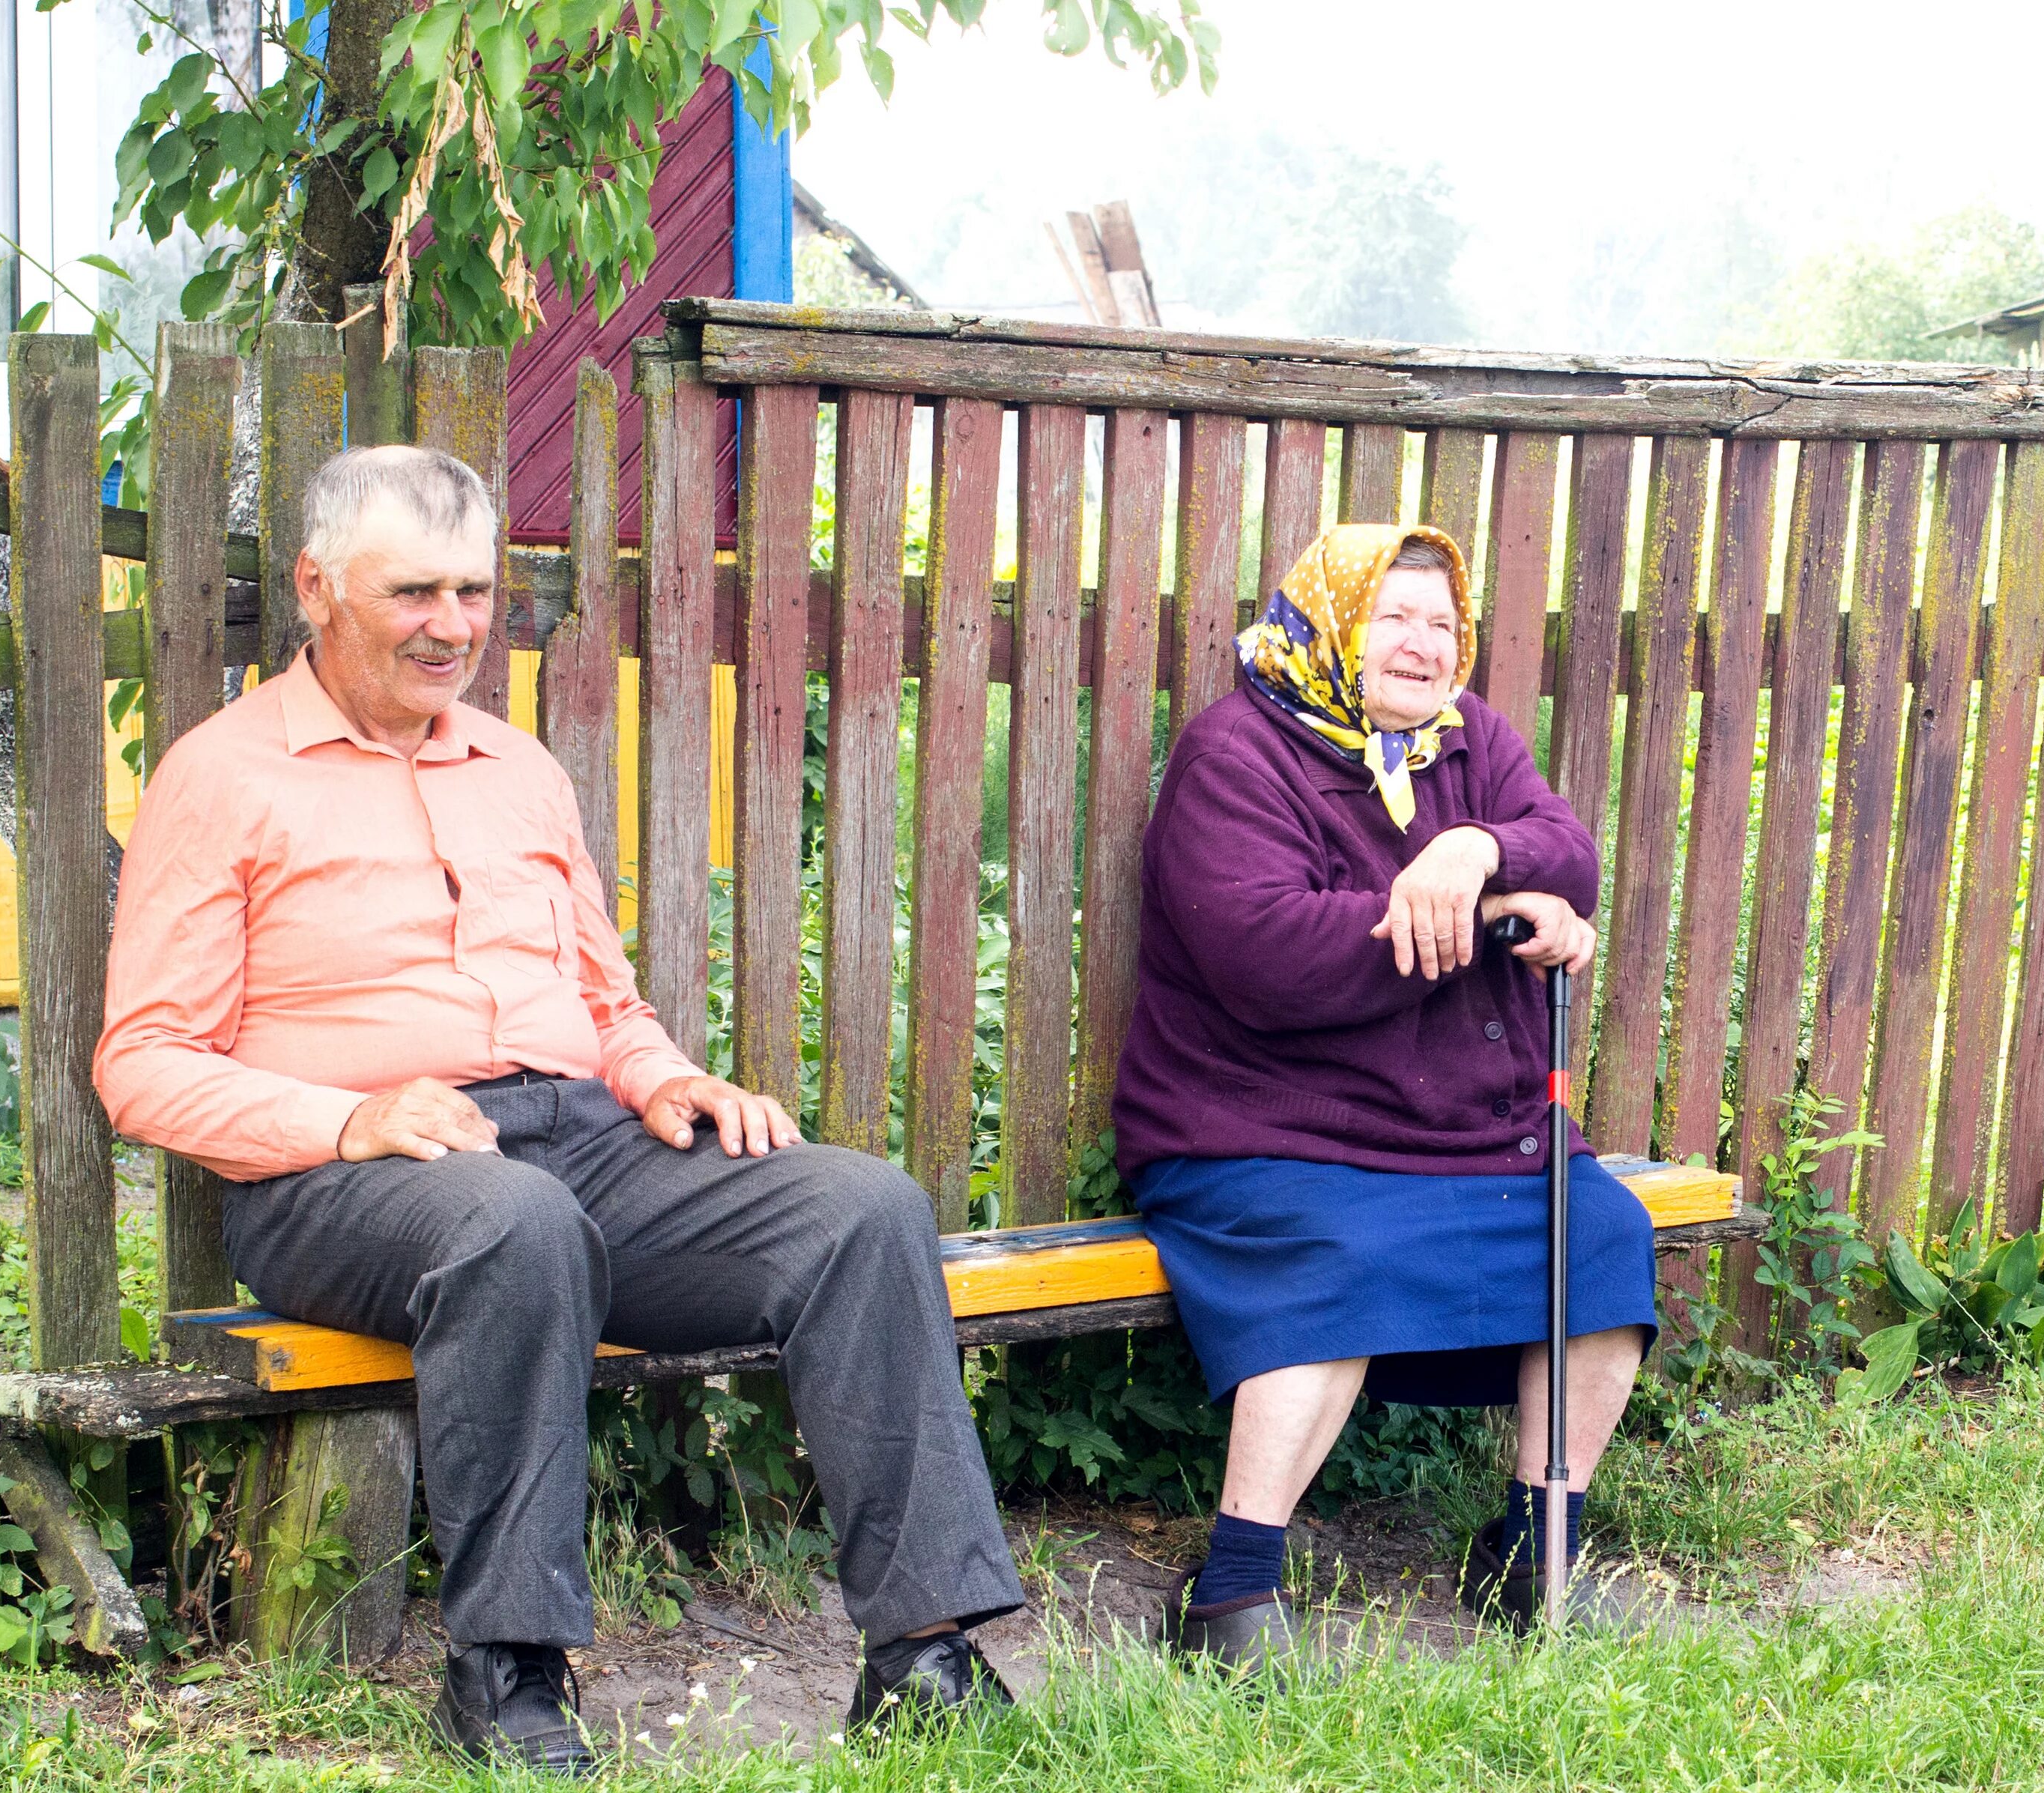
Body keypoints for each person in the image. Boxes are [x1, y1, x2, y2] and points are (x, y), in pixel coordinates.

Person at [94, 445, 1022, 1772]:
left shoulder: (518, 768)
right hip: (337, 1177)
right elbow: (142, 1060)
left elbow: (604, 997)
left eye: (474, 591)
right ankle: (507, 1673)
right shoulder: (223, 774)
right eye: (413, 591)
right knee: (512, 1224)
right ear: (315, 588)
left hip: (573, 1137)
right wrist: (350, 1120)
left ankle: (924, 1650)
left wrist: (667, 1078)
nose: (454, 627)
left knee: (862, 1208)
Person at [1109, 522, 1657, 1663]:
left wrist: (1469, 852)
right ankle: (1232, 1591)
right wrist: (1493, 916)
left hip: (1457, 1127)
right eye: (1394, 617)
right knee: (1340, 1255)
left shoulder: (1469, 741)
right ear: (1332, 622)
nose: (1422, 644)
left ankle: (1533, 1551)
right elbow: (1265, 952)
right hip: (1259, 1126)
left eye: (1443, 624)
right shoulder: (1237, 755)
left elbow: (1567, 851)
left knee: (1599, 1232)